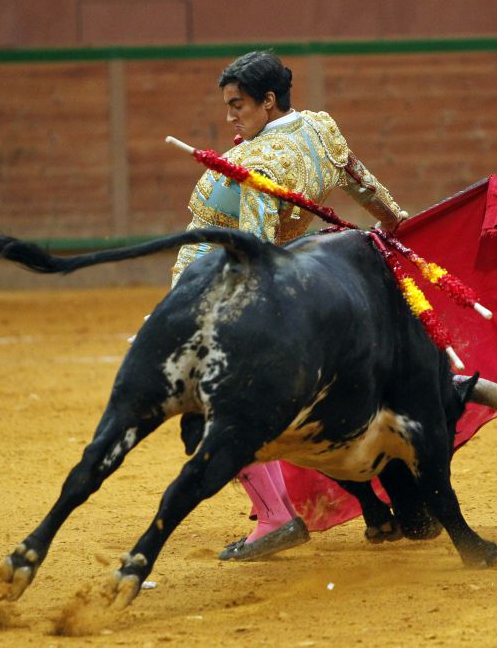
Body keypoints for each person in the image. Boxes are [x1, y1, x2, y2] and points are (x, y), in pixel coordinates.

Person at [169, 50, 406, 561]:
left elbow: (253, 252)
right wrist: (397, 225)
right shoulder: (319, 131)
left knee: (220, 403)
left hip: (217, 292)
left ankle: (274, 515)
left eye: (238, 105)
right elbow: (367, 188)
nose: (230, 117)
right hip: (286, 276)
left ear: (268, 100)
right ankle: (299, 507)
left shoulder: (261, 163)